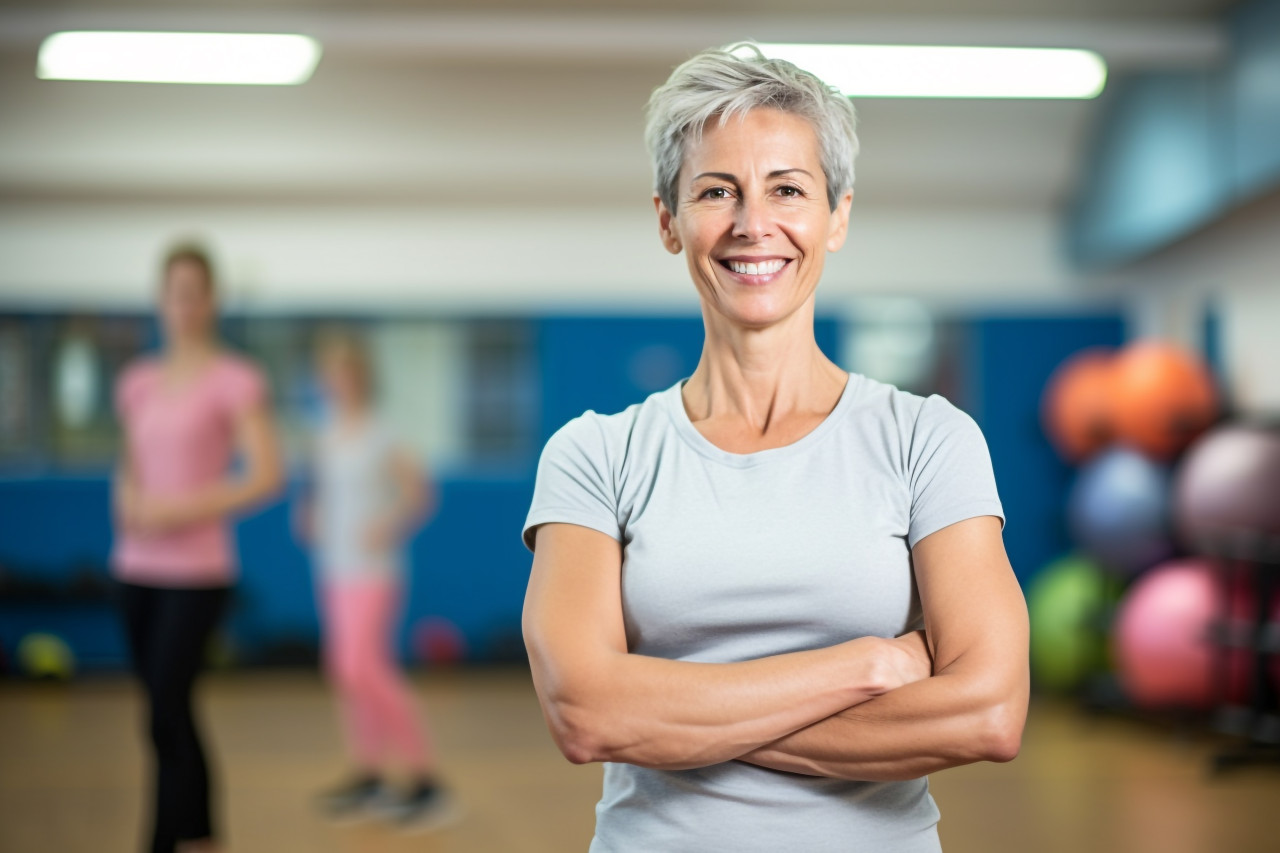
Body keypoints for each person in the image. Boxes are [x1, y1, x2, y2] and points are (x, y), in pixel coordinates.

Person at [521, 43, 1029, 852]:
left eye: (787, 189)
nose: (754, 225)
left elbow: (989, 711)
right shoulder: (595, 455)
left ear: (838, 216)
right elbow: (586, 713)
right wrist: (861, 667)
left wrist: (672, 719)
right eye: (716, 191)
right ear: (668, 220)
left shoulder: (928, 440)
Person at [112, 243, 283, 853]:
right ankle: (204, 837)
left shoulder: (235, 380)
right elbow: (131, 462)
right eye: (172, 293)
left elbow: (265, 474)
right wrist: (129, 496)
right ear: (160, 301)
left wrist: (174, 508)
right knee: (166, 714)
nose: (182, 305)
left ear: (210, 300)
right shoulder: (137, 382)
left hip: (197, 572)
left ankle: (161, 841)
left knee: (166, 706)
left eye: (193, 292)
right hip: (134, 567)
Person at [298, 330, 456, 831]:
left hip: (374, 571)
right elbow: (323, 490)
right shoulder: (326, 432)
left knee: (366, 667)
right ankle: (369, 773)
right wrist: (311, 512)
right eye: (330, 372)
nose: (336, 381)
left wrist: (386, 524)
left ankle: (426, 781)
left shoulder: (382, 432)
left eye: (345, 371)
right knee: (344, 671)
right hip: (332, 567)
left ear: (362, 377)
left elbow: (420, 494)